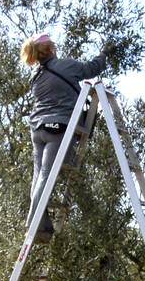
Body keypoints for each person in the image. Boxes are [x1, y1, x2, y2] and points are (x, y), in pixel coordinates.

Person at [21, 32, 108, 241]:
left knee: (38, 176)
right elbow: (91, 69)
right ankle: (34, 225)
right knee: (46, 175)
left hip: (38, 129)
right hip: (58, 127)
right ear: (51, 48)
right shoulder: (64, 66)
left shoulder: (35, 76)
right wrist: (104, 54)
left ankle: (41, 225)